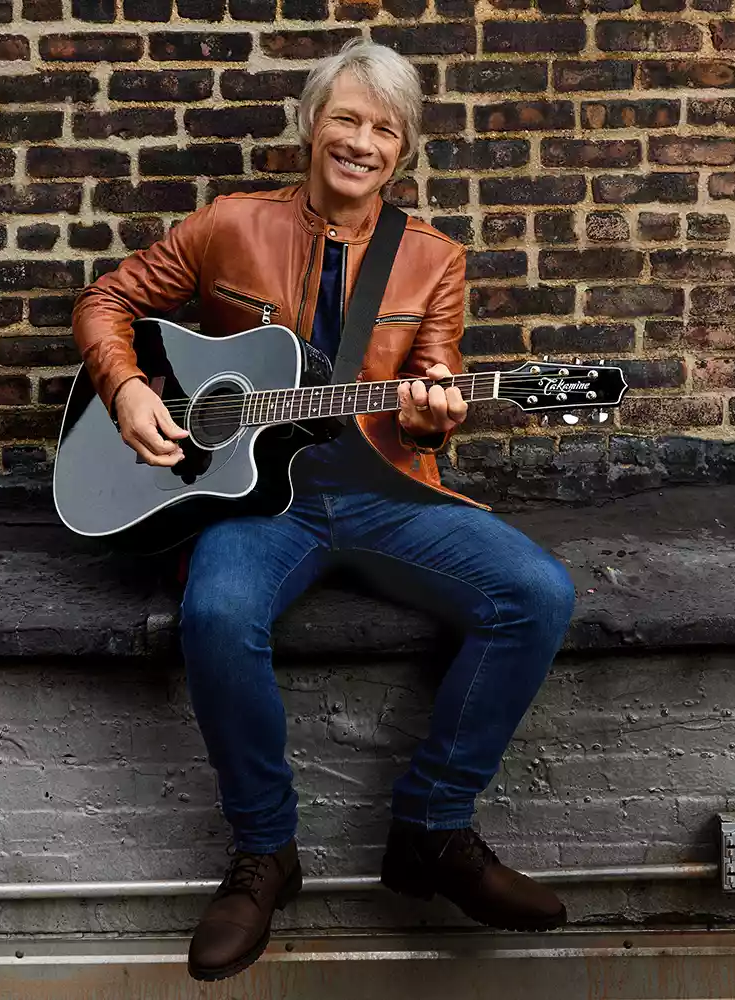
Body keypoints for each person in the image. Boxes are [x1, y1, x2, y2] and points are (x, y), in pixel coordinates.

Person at [71, 37, 577, 982]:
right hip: (259, 500)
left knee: (538, 594)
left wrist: (435, 415)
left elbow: (434, 393)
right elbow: (107, 300)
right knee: (217, 613)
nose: (362, 142)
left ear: (404, 151)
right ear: (312, 124)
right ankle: (266, 852)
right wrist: (130, 389)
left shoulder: (433, 260)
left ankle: (433, 828)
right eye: (347, 118)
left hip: (383, 492)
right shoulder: (230, 226)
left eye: (385, 129)